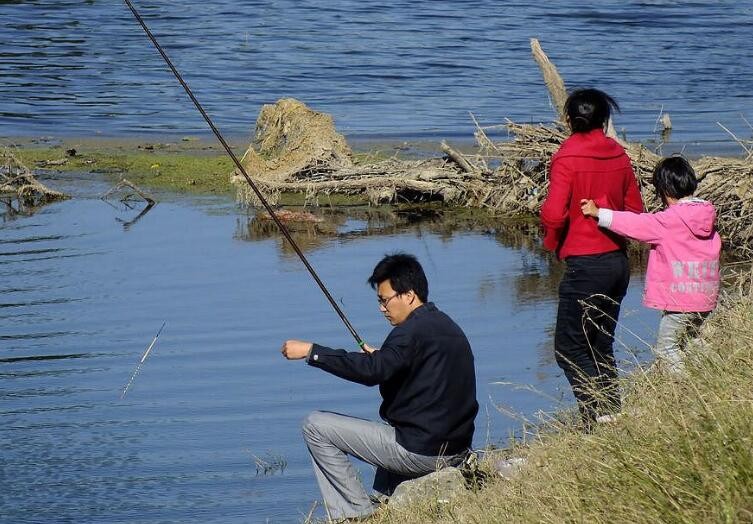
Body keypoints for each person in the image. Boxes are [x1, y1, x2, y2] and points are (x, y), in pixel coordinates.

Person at [280, 253, 478, 522]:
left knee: (315, 425)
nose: (382, 309)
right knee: (390, 431)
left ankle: (355, 516)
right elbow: (407, 371)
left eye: (385, 300)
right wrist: (385, 359)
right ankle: (385, 504)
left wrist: (312, 352)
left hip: (423, 452)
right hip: (456, 449)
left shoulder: (409, 333)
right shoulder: (445, 325)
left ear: (408, 295)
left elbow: (371, 372)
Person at [540, 88, 644, 427]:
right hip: (616, 263)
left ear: (568, 120)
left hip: (586, 264)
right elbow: (635, 211)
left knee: (569, 347)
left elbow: (554, 214)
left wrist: (552, 244)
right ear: (605, 120)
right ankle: (610, 416)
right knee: (600, 345)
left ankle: (597, 415)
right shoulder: (618, 154)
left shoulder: (567, 156)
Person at [581, 155, 721, 373]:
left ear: (664, 190)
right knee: (693, 341)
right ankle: (711, 375)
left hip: (679, 301)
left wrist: (599, 213)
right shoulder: (706, 216)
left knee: (667, 349)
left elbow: (634, 224)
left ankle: (684, 385)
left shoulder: (668, 221)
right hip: (706, 296)